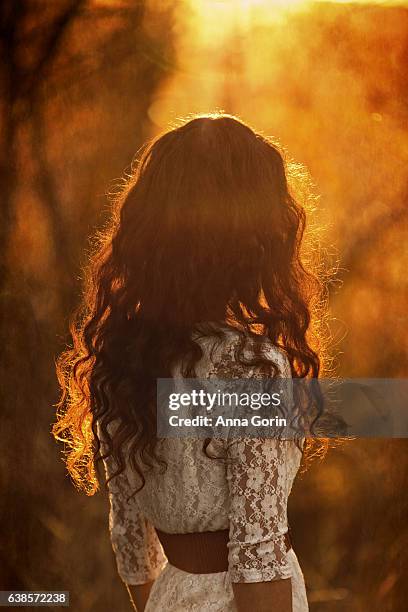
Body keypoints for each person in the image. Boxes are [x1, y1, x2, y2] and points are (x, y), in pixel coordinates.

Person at [54, 113, 328, 611]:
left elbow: (132, 548)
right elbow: (258, 562)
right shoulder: (251, 372)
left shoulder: (122, 360)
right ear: (250, 236)